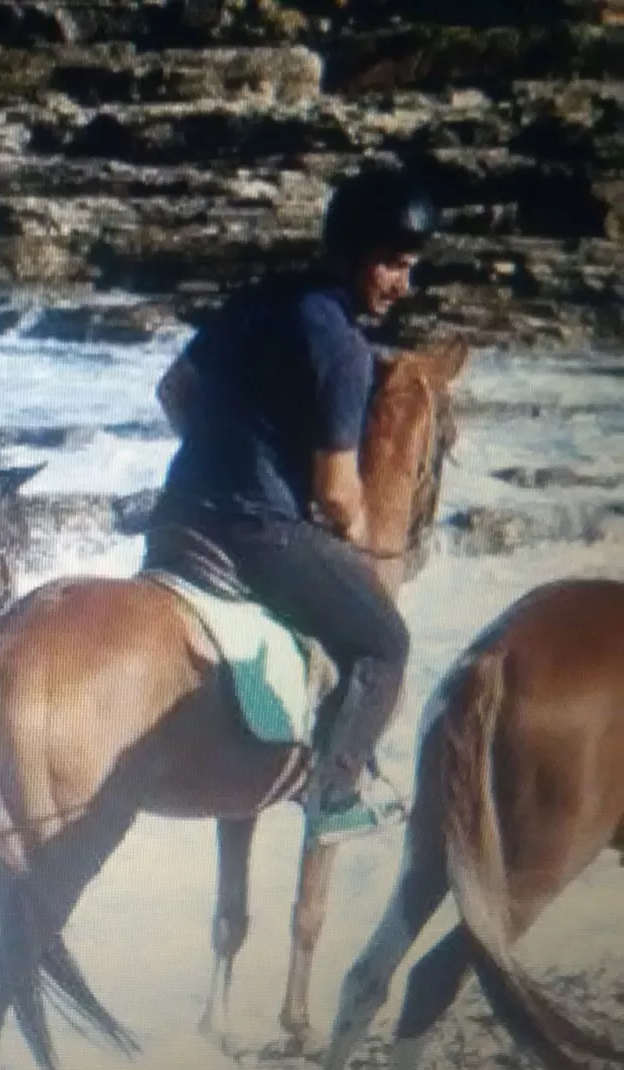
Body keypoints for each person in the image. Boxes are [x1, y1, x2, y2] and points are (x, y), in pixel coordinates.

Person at [148, 165, 438, 845]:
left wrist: (225, 450)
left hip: (177, 517)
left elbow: (173, 391)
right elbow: (338, 493)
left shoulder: (256, 299)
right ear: (356, 252)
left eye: (409, 267)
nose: (404, 284)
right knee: (384, 643)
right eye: (394, 264)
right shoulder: (342, 347)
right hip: (256, 535)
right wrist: (359, 530)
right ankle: (332, 794)